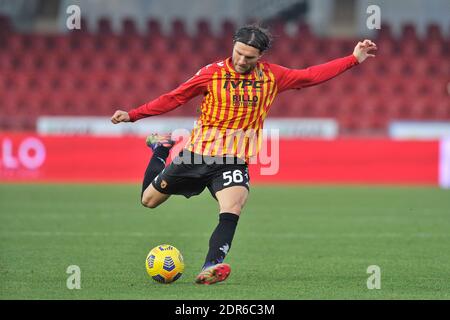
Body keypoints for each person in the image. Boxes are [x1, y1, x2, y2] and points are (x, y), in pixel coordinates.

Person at [111, 25, 377, 285]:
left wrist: (353, 59)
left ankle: (210, 266)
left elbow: (309, 75)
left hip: (233, 161)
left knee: (232, 208)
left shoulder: (272, 76)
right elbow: (175, 97)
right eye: (238, 53)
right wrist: (133, 115)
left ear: (260, 56)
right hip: (196, 155)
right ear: (233, 47)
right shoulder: (212, 73)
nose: (241, 60)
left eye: (249, 57)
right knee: (149, 201)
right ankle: (160, 149)